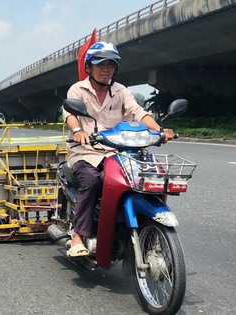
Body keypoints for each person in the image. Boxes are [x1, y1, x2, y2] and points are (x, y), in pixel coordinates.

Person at [62, 42, 175, 257]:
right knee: (91, 181)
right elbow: (70, 114)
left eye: (111, 65)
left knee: (152, 177)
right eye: (100, 64)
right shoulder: (78, 89)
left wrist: (160, 130)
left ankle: (148, 235)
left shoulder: (120, 91)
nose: (106, 69)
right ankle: (77, 236)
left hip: (117, 152)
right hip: (86, 152)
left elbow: (138, 113)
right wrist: (77, 130)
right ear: (89, 67)